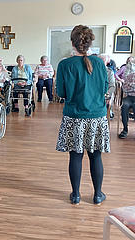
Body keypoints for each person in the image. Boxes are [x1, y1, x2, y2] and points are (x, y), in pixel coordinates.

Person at [56, 25, 110, 205]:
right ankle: (97, 195)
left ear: (72, 42)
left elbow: (61, 92)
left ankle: (76, 195)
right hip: (97, 116)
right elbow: (104, 89)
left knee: (76, 156)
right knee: (96, 156)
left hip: (74, 117)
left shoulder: (64, 65)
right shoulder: (100, 63)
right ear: (89, 43)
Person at [118, 58, 135, 139]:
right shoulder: (130, 76)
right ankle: (125, 129)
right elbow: (125, 88)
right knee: (124, 106)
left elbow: (129, 86)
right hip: (129, 97)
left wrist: (131, 85)